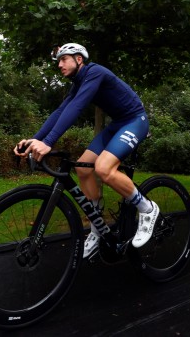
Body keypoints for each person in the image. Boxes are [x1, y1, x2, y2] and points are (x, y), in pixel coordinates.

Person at [14, 43, 158, 259]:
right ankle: (98, 226)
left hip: (135, 120)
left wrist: (50, 141)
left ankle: (147, 208)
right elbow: (61, 110)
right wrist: (36, 139)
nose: (59, 64)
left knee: (103, 169)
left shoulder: (95, 72)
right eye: (58, 60)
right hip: (118, 124)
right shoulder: (78, 82)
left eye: (64, 59)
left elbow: (77, 107)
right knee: (83, 169)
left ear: (79, 59)